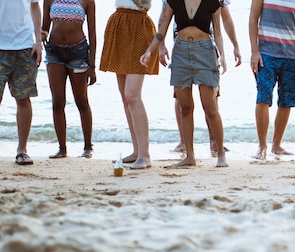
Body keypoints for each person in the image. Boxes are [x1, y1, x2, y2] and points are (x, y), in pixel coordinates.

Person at [141, 0, 228, 167]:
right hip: (180, 53)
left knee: (210, 107)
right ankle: (190, 156)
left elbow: (217, 32)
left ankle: (221, 155)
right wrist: (149, 51)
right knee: (185, 107)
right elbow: (161, 31)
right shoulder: (173, 1)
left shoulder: (213, 2)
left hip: (205, 52)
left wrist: (223, 55)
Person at [167, 0, 241, 158]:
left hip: (207, 49)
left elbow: (225, 18)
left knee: (211, 103)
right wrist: (160, 46)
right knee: (182, 102)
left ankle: (215, 144)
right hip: (180, 49)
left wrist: (234, 46)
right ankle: (185, 145)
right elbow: (164, 17)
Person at [249, 0, 295, 160]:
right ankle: (262, 146)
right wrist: (254, 51)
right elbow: (253, 18)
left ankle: (276, 145)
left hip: (292, 55)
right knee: (263, 97)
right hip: (266, 53)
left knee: (287, 101)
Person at [100, 0, 159, 169]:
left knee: (132, 95)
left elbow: (145, 4)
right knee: (125, 97)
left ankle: (145, 155)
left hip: (139, 26)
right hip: (119, 24)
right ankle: (136, 151)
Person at [0, 0, 42, 166]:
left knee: (23, 98)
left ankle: (22, 150)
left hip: (24, 46)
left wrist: (38, 41)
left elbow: (35, 6)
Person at [42, 0, 96, 159]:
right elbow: (45, 27)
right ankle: (62, 148)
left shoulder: (87, 1)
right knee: (57, 102)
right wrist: (41, 35)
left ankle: (87, 147)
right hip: (54, 52)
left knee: (82, 101)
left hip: (78, 52)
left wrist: (92, 65)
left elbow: (92, 33)